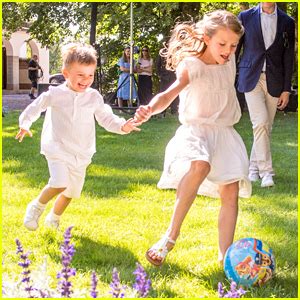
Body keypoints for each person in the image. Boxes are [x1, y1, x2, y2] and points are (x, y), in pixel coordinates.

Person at [134, 10, 251, 267]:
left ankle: (225, 257)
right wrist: (149, 109)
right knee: (200, 165)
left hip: (224, 132)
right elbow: (168, 94)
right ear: (207, 38)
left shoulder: (229, 61)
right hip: (196, 130)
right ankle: (169, 238)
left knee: (230, 191)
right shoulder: (192, 66)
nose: (228, 50)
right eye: (222, 44)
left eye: (233, 45)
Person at [16, 43, 141, 231]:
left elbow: (106, 117)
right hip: (57, 147)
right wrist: (25, 124)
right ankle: (36, 207)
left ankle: (54, 218)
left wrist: (123, 125)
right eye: (80, 75)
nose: (86, 80)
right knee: (59, 182)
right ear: (66, 73)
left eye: (90, 75)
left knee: (71, 191)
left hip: (82, 151)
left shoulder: (93, 97)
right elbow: (35, 107)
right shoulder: (55, 94)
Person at [236, 3, 295, 188]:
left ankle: (253, 169)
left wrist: (286, 88)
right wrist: (228, 77)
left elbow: (288, 56)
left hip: (275, 80)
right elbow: (235, 49)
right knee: (260, 123)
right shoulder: (245, 16)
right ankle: (267, 172)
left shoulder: (287, 21)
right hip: (250, 77)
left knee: (265, 127)